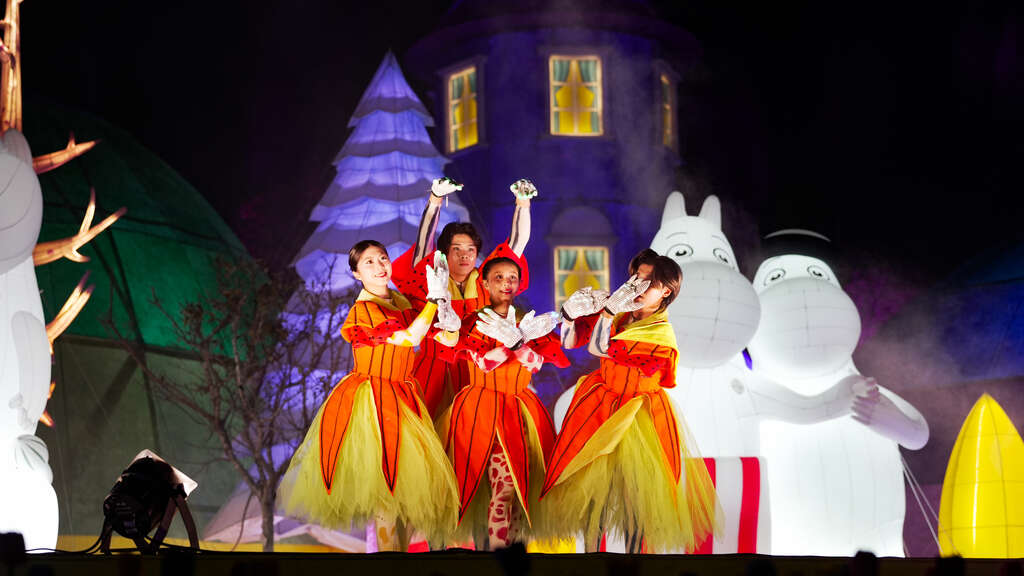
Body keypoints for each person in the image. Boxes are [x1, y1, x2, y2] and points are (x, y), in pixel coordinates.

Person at [278, 240, 458, 551]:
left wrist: (449, 317)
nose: (379, 266)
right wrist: (433, 302)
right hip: (373, 400)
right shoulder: (364, 310)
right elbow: (410, 337)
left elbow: (446, 339)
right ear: (356, 274)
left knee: (407, 499)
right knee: (385, 493)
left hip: (404, 399)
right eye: (369, 262)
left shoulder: (402, 304)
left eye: (383, 258)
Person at [541, 249, 721, 553]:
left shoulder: (660, 333)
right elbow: (571, 341)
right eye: (636, 278)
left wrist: (607, 313)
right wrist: (569, 315)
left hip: (639, 417)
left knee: (635, 502)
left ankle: (632, 565)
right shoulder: (621, 315)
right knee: (591, 497)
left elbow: (600, 349)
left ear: (666, 291)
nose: (637, 286)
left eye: (648, 281)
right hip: (600, 405)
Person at [436, 256, 567, 550]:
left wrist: (519, 339)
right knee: (495, 489)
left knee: (517, 491)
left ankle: (511, 557)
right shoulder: (474, 322)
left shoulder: (529, 322)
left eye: (512, 278)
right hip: (480, 410)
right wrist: (513, 343)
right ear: (484, 283)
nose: (506, 283)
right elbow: (483, 362)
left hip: (518, 410)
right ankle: (497, 557)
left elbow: (536, 363)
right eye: (498, 277)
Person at [391, 177, 536, 419]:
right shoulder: (431, 279)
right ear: (444, 252)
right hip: (432, 371)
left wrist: (523, 203)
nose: (464, 256)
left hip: (477, 370)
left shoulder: (486, 282)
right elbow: (423, 242)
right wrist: (436, 199)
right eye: (456, 249)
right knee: (428, 428)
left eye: (470, 250)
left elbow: (516, 244)